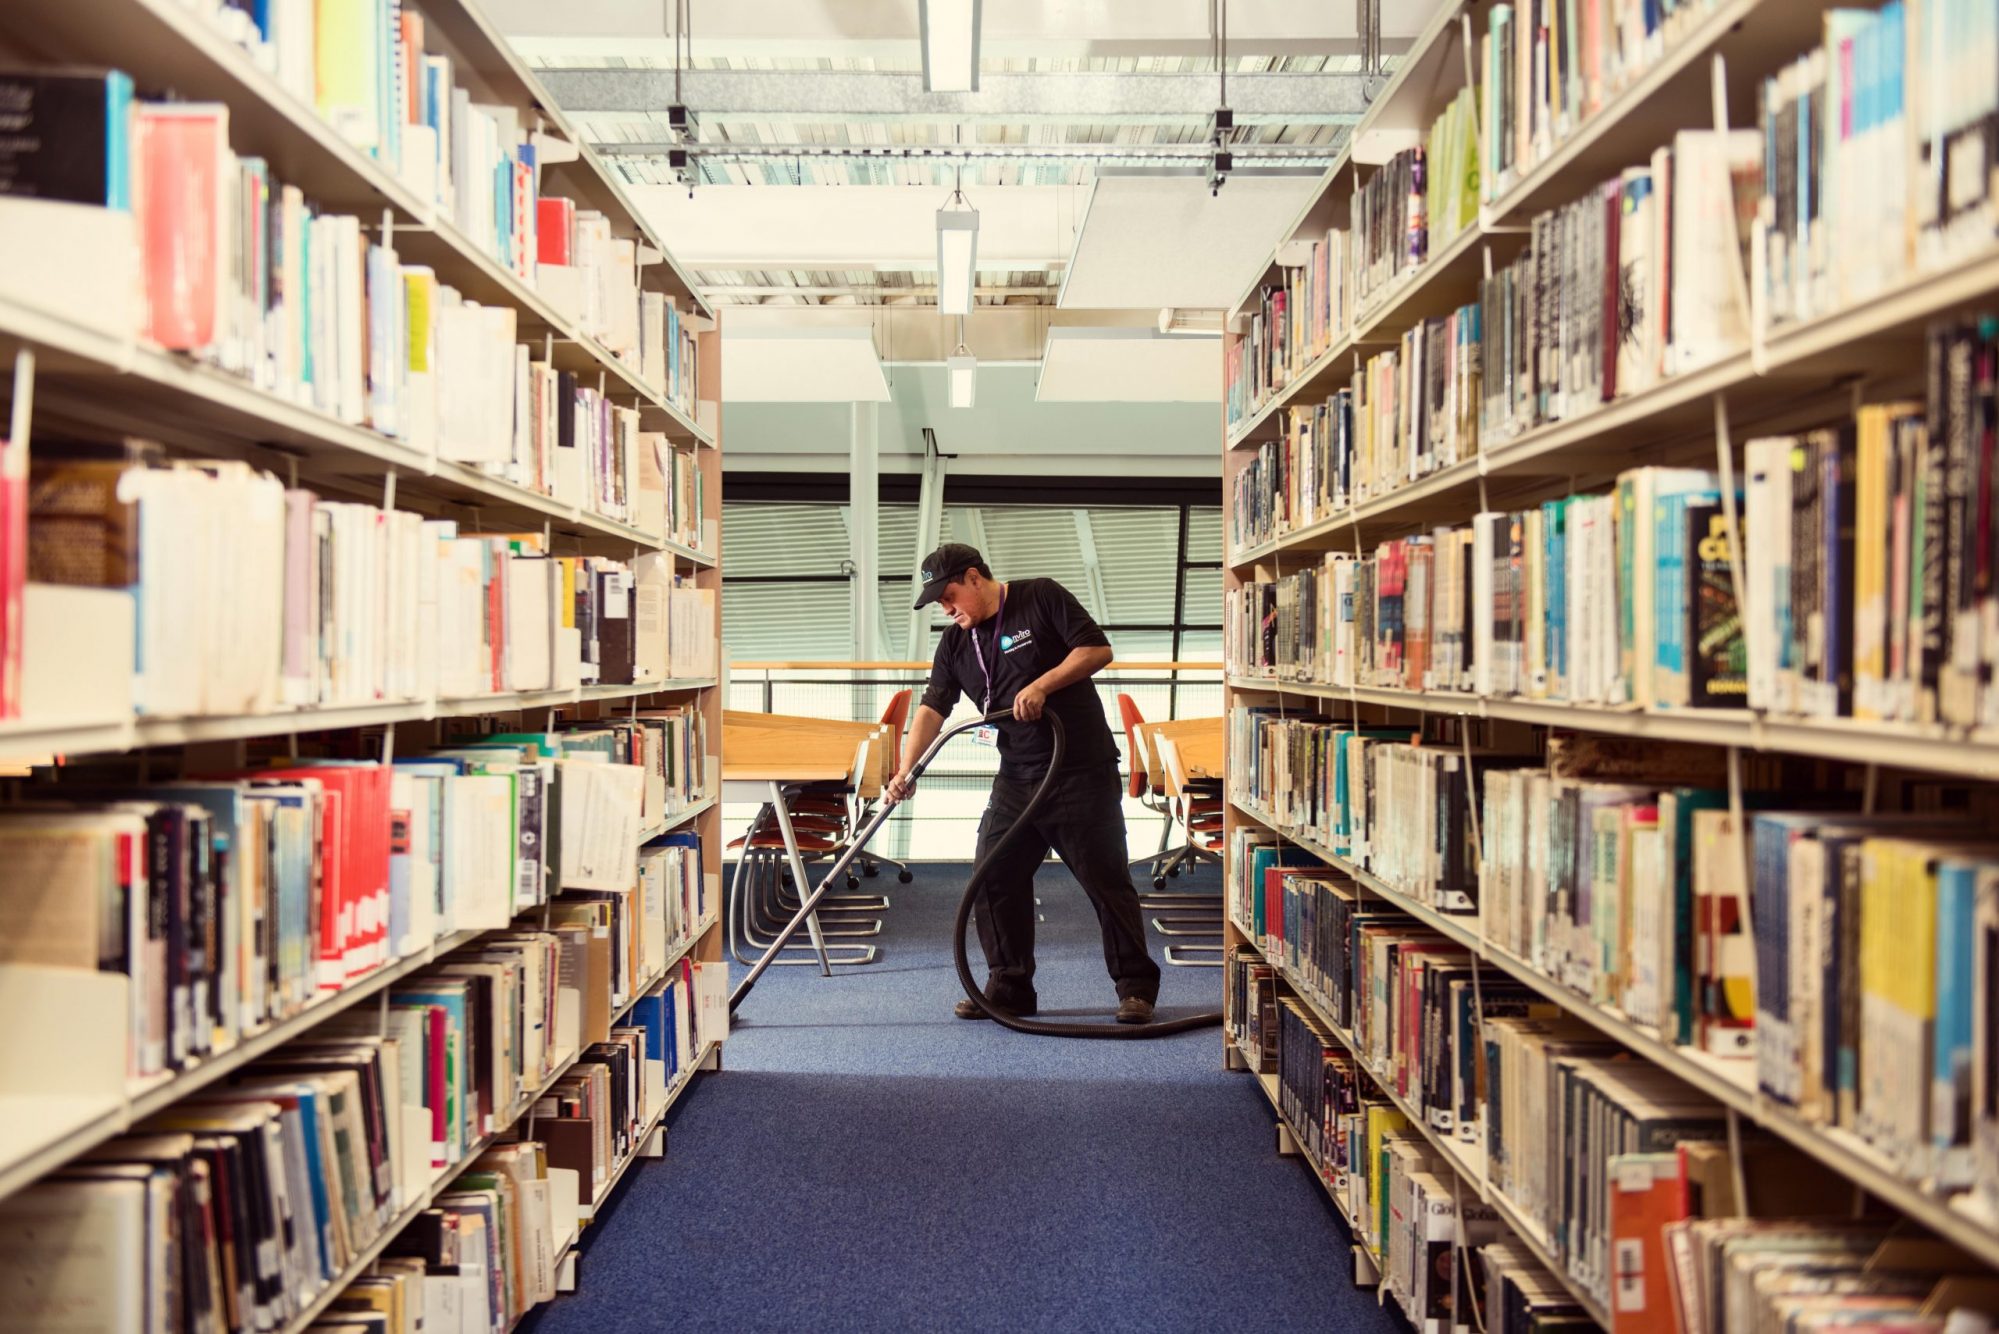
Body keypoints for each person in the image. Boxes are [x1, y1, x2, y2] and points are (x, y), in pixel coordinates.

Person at [888, 542, 1162, 1024]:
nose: (946, 609)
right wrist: (906, 771)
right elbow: (932, 709)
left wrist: (1042, 685)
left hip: (1081, 772)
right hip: (1017, 777)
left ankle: (1135, 987)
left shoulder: (1041, 598)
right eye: (938, 604)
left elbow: (1097, 649)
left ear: (975, 578)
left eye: (949, 595)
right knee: (993, 876)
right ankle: (1010, 988)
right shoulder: (955, 643)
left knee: (1105, 882)